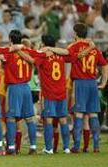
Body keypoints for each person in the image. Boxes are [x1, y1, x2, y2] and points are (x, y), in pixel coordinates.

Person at [0, 30, 42, 155]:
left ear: (10, 39)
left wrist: (12, 48)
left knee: (10, 118)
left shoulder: (9, 53)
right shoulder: (28, 51)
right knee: (29, 118)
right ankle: (33, 147)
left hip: (14, 87)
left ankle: (11, 147)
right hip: (26, 87)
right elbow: (38, 58)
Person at [69, 23, 108, 153]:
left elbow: (70, 55)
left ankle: (76, 146)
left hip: (80, 83)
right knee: (93, 115)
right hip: (92, 83)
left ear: (75, 33)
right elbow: (105, 65)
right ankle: (96, 146)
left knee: (79, 114)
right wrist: (103, 82)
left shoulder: (73, 46)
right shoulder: (95, 49)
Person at [34, 35, 71, 154]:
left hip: (49, 92)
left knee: (49, 121)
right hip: (61, 91)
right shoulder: (60, 55)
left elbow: (34, 61)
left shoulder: (44, 56)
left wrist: (38, 49)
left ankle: (49, 148)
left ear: (44, 44)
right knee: (63, 120)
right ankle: (66, 148)